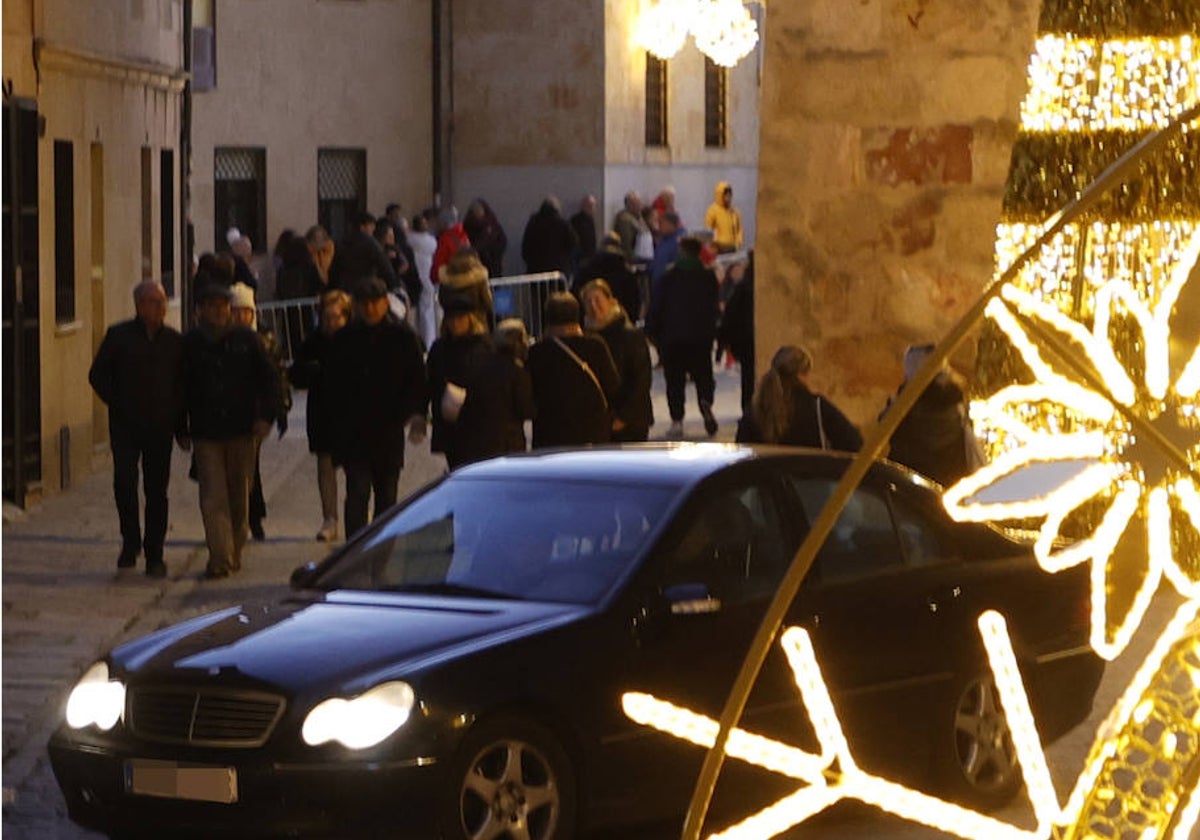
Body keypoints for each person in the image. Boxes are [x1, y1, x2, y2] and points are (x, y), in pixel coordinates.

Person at [180, 283, 280, 579]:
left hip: (241, 429)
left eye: (222, 305)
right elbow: (180, 388)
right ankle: (219, 557)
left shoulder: (247, 340)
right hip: (206, 431)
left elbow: (269, 380)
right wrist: (180, 427)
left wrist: (266, 416)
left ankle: (234, 548)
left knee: (239, 494)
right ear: (200, 310)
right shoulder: (191, 344)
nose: (217, 311)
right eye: (210, 305)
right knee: (212, 495)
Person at [87, 281, 184, 578]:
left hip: (160, 427)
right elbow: (97, 375)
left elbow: (182, 386)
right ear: (140, 306)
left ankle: (155, 552)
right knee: (125, 484)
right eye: (153, 302)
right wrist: (118, 402)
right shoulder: (119, 337)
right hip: (126, 426)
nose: (160, 308)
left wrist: (181, 427)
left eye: (162, 302)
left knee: (157, 491)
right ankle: (130, 543)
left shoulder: (174, 342)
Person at [327, 276, 428, 537]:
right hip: (356, 432)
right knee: (357, 495)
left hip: (388, 429)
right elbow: (334, 385)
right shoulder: (346, 338)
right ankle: (356, 553)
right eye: (364, 303)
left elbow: (417, 378)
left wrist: (415, 414)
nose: (370, 309)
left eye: (375, 303)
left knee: (387, 498)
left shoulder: (402, 336)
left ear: (385, 303)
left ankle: (382, 551)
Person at [289, 289, 353, 541]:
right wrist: (310, 371)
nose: (330, 323)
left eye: (336, 317)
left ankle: (355, 516)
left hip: (350, 414)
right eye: (326, 317)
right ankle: (330, 518)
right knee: (325, 467)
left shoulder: (353, 340)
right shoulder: (313, 342)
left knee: (355, 471)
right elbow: (296, 375)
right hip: (323, 413)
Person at [230, 283, 291, 542]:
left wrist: (278, 410)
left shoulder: (265, 339)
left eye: (247, 311)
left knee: (249, 468)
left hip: (256, 415)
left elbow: (278, 377)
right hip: (231, 414)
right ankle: (246, 517)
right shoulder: (223, 339)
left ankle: (251, 518)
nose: (242, 317)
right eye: (237, 311)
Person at [645, 236, 720, 439]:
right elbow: (714, 308)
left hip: (673, 337)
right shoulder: (707, 277)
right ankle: (705, 401)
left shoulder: (668, 277)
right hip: (700, 337)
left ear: (682, 251)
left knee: (674, 379)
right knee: (703, 374)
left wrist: (651, 332)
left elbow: (657, 306)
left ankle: (677, 420)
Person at [881, 343, 982, 486]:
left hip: (909, 489)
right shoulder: (954, 405)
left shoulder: (904, 409)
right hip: (951, 489)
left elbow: (885, 428)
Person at [527, 292, 619, 448]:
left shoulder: (537, 352)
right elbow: (613, 385)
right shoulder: (595, 346)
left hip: (550, 435)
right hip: (592, 433)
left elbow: (529, 397)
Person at [739, 345, 862, 451]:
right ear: (802, 374)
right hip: (811, 477)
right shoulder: (817, 408)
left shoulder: (755, 409)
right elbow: (854, 444)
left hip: (765, 477)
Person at [453, 318, 535, 466]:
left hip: (477, 445)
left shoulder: (479, 366)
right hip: (509, 444)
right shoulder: (516, 371)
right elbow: (526, 409)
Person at [580, 279, 653, 442]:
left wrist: (624, 417)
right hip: (601, 423)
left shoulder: (630, 335)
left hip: (631, 422)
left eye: (597, 300)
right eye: (588, 302)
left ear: (611, 301)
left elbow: (641, 380)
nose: (593, 306)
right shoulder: (586, 339)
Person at [426, 298, 495, 470]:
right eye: (451, 318)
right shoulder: (440, 348)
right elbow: (430, 382)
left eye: (460, 318)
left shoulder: (486, 346)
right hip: (452, 425)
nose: (455, 323)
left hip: (480, 425)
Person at [717, 250, 756, 418]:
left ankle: (748, 412)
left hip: (747, 342)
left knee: (748, 379)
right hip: (750, 341)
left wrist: (726, 342)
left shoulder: (743, 287)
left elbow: (730, 318)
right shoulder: (770, 287)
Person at [573, 231, 641, 325]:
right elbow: (634, 303)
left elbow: (576, 294)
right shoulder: (626, 272)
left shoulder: (586, 269)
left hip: (591, 323)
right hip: (620, 323)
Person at [328, 211, 398, 294]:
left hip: (344, 288)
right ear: (362, 227)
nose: (373, 229)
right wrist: (393, 285)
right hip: (365, 290)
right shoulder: (371, 243)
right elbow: (384, 266)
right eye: (371, 226)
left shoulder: (342, 241)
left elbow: (334, 267)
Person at [437, 248, 495, 331]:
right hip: (477, 327)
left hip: (449, 331)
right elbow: (487, 303)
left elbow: (442, 300)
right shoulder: (478, 281)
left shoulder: (446, 282)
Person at [520, 196, 577, 276]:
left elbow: (526, 246)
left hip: (536, 269)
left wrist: (530, 261)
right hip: (558, 270)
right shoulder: (562, 224)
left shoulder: (534, 223)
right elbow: (573, 243)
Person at [409, 213, 439, 349]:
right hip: (428, 277)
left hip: (415, 277)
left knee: (416, 311)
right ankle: (429, 340)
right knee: (428, 310)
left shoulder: (409, 240)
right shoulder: (431, 241)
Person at [462, 198, 508, 279]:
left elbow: (500, 241)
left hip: (492, 264)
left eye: (479, 212)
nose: (478, 215)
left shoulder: (491, 224)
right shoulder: (469, 225)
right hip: (476, 264)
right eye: (476, 212)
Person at [431, 206, 471, 290]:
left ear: (445, 223)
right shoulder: (464, 236)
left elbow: (440, 262)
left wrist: (434, 277)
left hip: (450, 282)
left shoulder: (446, 238)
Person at [650, 211, 686, 296]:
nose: (659, 226)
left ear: (670, 224)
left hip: (671, 288)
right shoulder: (664, 239)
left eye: (661, 223)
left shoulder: (680, 242)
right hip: (658, 284)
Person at [704, 181, 744, 254]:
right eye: (726, 196)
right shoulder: (712, 211)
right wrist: (714, 245)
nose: (729, 198)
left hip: (733, 248)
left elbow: (740, 229)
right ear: (720, 196)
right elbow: (708, 230)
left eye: (730, 196)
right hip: (719, 249)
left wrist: (738, 242)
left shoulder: (734, 212)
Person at [613, 191, 650, 265]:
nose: (640, 206)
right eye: (637, 204)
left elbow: (645, 231)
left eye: (640, 203)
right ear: (629, 205)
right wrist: (632, 261)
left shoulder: (638, 217)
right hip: (630, 260)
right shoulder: (624, 219)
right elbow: (626, 243)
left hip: (642, 256)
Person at [569, 194, 599, 273]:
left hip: (589, 256)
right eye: (590, 206)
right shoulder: (576, 221)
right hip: (581, 258)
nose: (592, 209)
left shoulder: (590, 220)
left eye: (593, 206)